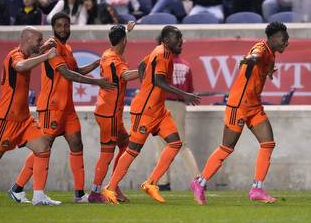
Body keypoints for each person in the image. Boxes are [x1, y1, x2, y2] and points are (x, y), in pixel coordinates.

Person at [8, 12, 115, 204]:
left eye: (66, 25)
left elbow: (76, 71)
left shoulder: (67, 47)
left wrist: (98, 62)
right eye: (60, 26)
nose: (64, 29)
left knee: (77, 145)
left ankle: (79, 194)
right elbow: (66, 74)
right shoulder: (52, 47)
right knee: (43, 148)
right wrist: (97, 82)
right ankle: (17, 187)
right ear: (53, 28)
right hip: (52, 107)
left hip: (67, 110)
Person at [191, 22, 289, 205]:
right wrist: (250, 59)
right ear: (273, 38)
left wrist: (269, 72)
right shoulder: (260, 48)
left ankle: (256, 189)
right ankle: (200, 183)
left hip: (254, 106)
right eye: (284, 39)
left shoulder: (271, 55)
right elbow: (254, 56)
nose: (287, 42)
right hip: (239, 105)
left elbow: (263, 65)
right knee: (227, 147)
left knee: (268, 143)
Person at [0, 27, 61, 206]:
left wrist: (45, 46)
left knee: (43, 147)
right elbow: (20, 66)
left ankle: (38, 196)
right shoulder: (14, 56)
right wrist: (46, 55)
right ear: (28, 39)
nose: (40, 43)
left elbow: (32, 55)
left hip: (24, 119)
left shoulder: (25, 53)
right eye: (38, 40)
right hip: (7, 120)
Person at [101, 25, 201, 204]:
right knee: (133, 150)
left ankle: (151, 183)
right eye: (176, 38)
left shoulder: (161, 51)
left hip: (159, 110)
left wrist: (145, 84)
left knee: (175, 143)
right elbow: (158, 80)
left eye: (181, 38)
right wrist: (184, 94)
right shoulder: (162, 53)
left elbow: (141, 65)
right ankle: (109, 188)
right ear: (166, 41)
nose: (180, 42)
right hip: (145, 111)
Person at [88, 22, 138, 203]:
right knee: (107, 153)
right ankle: (94, 192)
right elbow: (126, 75)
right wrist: (147, 68)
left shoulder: (109, 53)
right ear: (124, 41)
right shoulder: (114, 59)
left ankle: (113, 185)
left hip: (110, 111)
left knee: (126, 145)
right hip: (109, 114)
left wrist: (127, 29)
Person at [152, 36, 200, 191]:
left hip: (162, 104)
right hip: (179, 106)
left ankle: (163, 182)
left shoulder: (162, 62)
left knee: (161, 145)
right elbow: (190, 90)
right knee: (183, 145)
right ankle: (198, 179)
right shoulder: (186, 65)